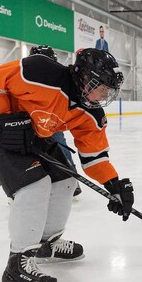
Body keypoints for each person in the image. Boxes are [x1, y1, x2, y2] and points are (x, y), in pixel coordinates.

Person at [0, 48, 134, 282]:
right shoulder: (41, 71)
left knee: (65, 180)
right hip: (0, 131)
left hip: (38, 135)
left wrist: (113, 184)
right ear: (83, 77)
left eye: (108, 91)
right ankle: (17, 267)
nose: (104, 96)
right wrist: (7, 117)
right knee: (34, 187)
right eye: (101, 88)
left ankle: (46, 244)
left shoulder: (91, 112)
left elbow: (94, 156)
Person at [29, 45, 82, 197]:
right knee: (55, 146)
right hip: (38, 122)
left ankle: (71, 178)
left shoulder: (54, 77)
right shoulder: (29, 74)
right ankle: (23, 186)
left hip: (50, 121)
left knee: (59, 146)